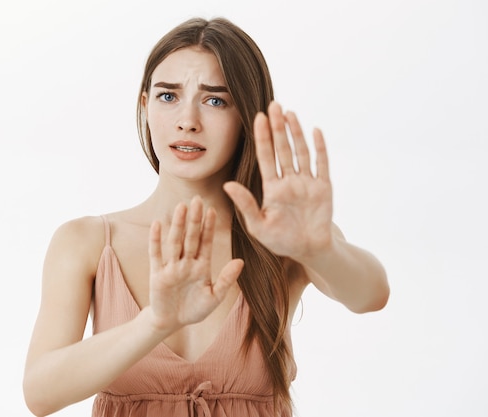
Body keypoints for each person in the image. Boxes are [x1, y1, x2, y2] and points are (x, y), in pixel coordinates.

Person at [23, 16, 389, 417]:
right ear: (145, 106)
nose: (187, 120)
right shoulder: (87, 241)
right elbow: (40, 394)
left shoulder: (283, 233)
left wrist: (320, 249)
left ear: (247, 116)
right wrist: (155, 323)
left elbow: (371, 295)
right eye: (168, 96)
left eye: (215, 100)